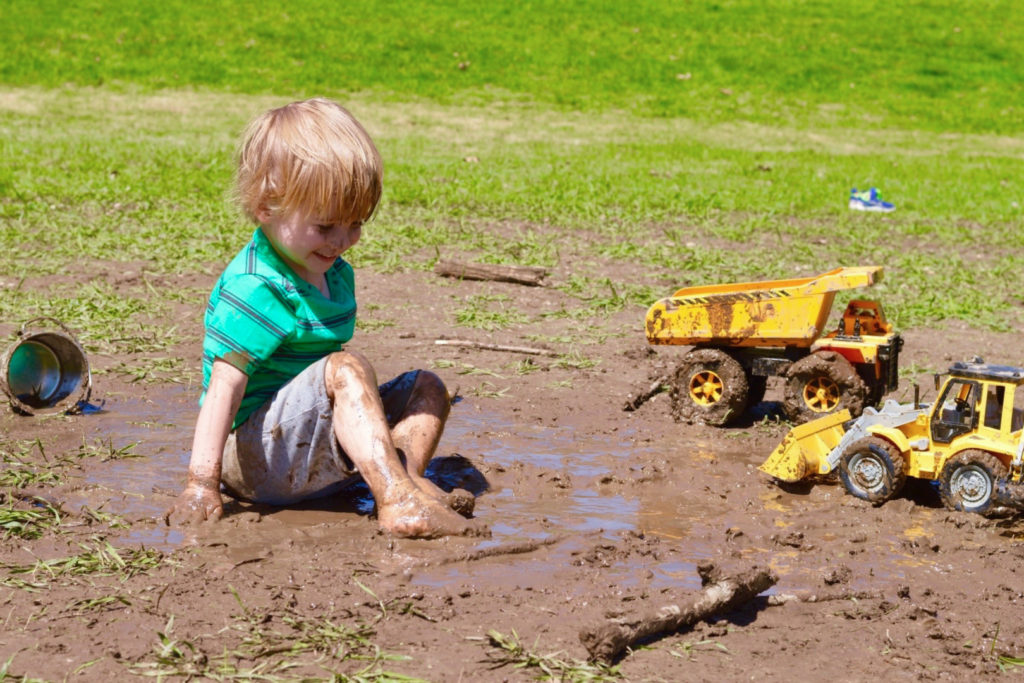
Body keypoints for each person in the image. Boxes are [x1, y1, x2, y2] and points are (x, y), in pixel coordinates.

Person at [164, 97, 484, 539]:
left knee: (425, 386)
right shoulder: (257, 285)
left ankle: (404, 476)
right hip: (253, 460)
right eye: (326, 226)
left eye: (355, 224)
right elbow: (224, 387)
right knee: (346, 368)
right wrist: (201, 484)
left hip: (300, 442)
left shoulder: (332, 272)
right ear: (266, 206)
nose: (342, 240)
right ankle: (395, 500)